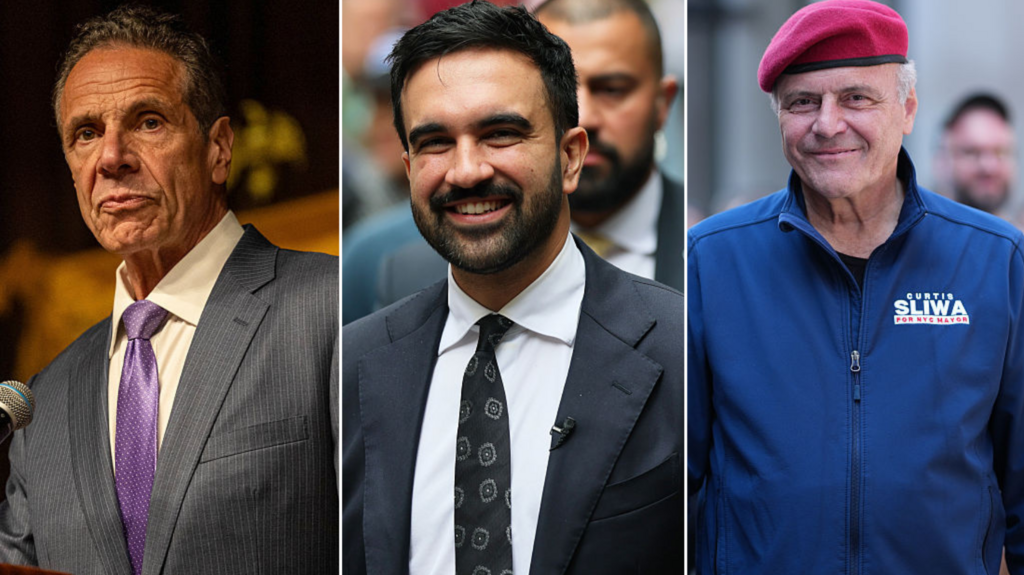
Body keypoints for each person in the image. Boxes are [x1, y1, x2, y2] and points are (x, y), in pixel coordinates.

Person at [343, 2, 684, 574]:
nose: (467, 170)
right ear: (407, 168)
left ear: (571, 156)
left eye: (500, 134)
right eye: (434, 142)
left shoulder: (681, 348)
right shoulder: (351, 365)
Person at [688, 1, 1024, 573]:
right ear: (779, 118)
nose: (826, 124)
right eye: (802, 102)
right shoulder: (713, 260)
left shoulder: (996, 260)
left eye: (856, 98)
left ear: (908, 109)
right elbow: (674, 490)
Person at [0, 6, 338, 574]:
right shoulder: (45, 398)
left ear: (218, 149)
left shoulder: (328, 309)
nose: (111, 158)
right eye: (86, 133)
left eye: (148, 121)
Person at [344, 0, 683, 323]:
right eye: (437, 142)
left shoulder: (702, 254)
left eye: (612, 89)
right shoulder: (389, 266)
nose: (585, 115)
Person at [934, 93, 1018, 216]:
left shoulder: (1016, 234)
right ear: (941, 161)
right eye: (972, 152)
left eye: (1000, 152)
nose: (989, 167)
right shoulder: (918, 233)